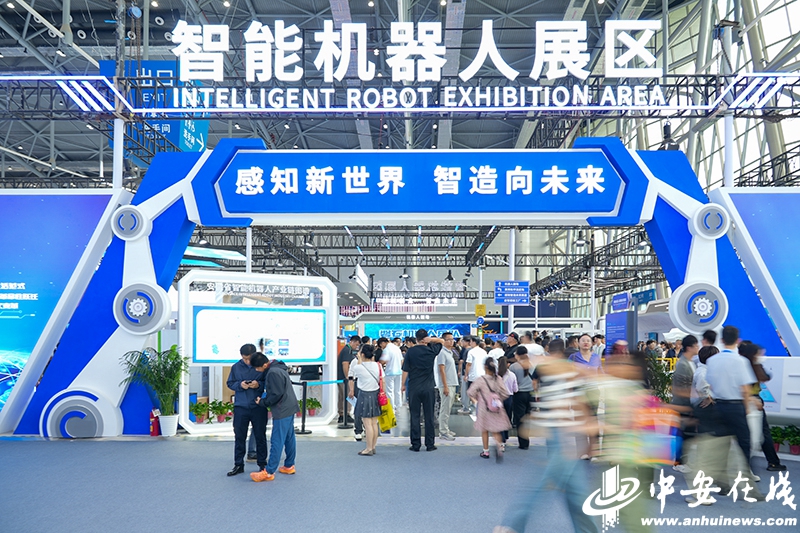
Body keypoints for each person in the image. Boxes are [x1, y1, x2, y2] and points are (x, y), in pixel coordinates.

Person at [494, 350, 599, 533]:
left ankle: (514, 527)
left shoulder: (567, 375)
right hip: (560, 438)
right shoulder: (557, 377)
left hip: (563, 439)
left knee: (538, 486)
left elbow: (577, 406)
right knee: (575, 495)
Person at [705, 326, 757, 465]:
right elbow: (745, 389)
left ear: (722, 340)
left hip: (718, 406)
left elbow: (711, 385)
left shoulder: (712, 360)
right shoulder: (741, 361)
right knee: (744, 442)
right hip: (736, 407)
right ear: (738, 341)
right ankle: (745, 473)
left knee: (720, 444)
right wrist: (746, 408)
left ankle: (720, 476)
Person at [250, 352, 299, 482]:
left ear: (264, 365)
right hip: (289, 406)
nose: (256, 370)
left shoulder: (272, 373)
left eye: (257, 368)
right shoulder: (278, 368)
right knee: (289, 437)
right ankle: (289, 465)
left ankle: (269, 471)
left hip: (282, 409)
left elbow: (276, 394)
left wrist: (262, 402)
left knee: (277, 440)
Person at [739, 342, 786, 472]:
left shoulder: (742, 365)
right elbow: (765, 377)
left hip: (744, 402)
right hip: (753, 401)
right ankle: (772, 462)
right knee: (762, 433)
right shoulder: (753, 367)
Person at [226, 343, 266, 477]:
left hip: (258, 407)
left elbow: (268, 383)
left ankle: (262, 465)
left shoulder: (261, 366)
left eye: (249, 359)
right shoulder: (236, 367)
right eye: (244, 358)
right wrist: (240, 385)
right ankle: (238, 464)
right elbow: (230, 383)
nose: (247, 361)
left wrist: (258, 384)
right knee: (239, 437)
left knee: (260, 436)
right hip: (241, 407)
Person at [401, 329, 445, 452]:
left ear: (416, 339)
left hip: (414, 387)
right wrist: (431, 340)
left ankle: (415, 444)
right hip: (429, 387)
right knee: (429, 416)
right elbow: (442, 341)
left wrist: (403, 384)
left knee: (414, 416)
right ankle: (430, 444)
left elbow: (405, 370)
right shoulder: (431, 350)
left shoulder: (410, 351)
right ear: (426, 338)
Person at [469, 357, 511, 462]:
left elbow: (470, 392)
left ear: (485, 367)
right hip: (496, 408)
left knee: (485, 430)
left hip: (484, 408)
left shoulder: (481, 380)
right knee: (495, 430)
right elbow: (505, 393)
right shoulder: (498, 379)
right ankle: (499, 448)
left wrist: (477, 398)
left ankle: (486, 451)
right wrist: (497, 399)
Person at [671, 334, 699, 473]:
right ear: (690, 347)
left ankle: (682, 460)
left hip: (687, 403)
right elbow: (680, 388)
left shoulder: (690, 363)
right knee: (682, 434)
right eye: (696, 345)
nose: (698, 347)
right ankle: (678, 462)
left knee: (686, 434)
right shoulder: (683, 364)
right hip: (682, 404)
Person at [348, 344, 382, 456]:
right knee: (374, 423)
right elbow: (383, 380)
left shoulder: (358, 367)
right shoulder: (378, 365)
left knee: (367, 424)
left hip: (364, 394)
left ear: (362, 354)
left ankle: (368, 448)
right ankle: (373, 446)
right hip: (375, 394)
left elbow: (356, 373)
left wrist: (359, 358)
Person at [508, 346, 533, 449]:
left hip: (519, 394)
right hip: (531, 393)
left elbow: (512, 382)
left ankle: (523, 443)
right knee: (527, 418)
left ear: (517, 355)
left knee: (520, 418)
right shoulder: (532, 365)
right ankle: (526, 440)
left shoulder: (513, 367)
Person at [436, 332, 459, 441]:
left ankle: (446, 429)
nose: (451, 341)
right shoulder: (442, 353)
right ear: (443, 341)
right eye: (449, 339)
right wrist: (445, 386)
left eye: (452, 339)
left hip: (452, 383)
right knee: (444, 409)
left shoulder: (450, 352)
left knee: (448, 409)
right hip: (447, 384)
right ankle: (443, 432)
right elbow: (442, 370)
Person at [460, 336, 488, 414]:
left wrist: (466, 375)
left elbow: (468, 364)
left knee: (471, 393)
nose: (470, 343)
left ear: (474, 342)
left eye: (471, 341)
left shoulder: (471, 352)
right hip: (482, 375)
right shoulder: (484, 352)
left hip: (473, 376)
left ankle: (476, 406)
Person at [378, 336, 403, 416]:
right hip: (399, 372)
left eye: (381, 345)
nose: (382, 347)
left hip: (390, 372)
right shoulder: (397, 348)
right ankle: (399, 408)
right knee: (398, 391)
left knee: (389, 391)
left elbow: (383, 361)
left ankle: (392, 409)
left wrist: (378, 364)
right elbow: (402, 360)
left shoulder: (387, 349)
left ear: (383, 343)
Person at [337, 335, 360, 423]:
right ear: (352, 342)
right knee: (347, 396)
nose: (356, 347)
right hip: (344, 378)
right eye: (356, 344)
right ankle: (345, 414)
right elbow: (345, 364)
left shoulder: (346, 349)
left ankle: (342, 414)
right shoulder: (347, 351)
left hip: (341, 377)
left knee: (342, 396)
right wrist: (348, 377)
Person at [497, 356, 518, 444]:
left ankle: (501, 437)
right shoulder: (512, 375)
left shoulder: (496, 375)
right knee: (507, 416)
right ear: (508, 364)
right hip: (509, 398)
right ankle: (506, 434)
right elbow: (515, 389)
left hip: (498, 398)